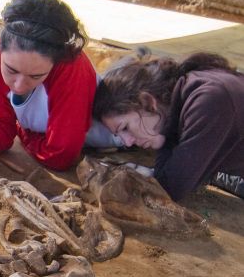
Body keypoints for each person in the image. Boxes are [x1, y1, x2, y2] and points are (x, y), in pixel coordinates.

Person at [0, 0, 120, 174]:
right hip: (47, 133)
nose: (18, 86)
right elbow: (1, 126)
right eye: (11, 70)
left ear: (56, 61)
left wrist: (23, 132)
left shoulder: (71, 67)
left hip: (114, 137)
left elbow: (61, 155)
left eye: (36, 76)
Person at [93, 52, 244, 200]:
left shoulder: (208, 101)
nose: (127, 142)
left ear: (147, 102)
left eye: (125, 128)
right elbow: (163, 173)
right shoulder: (179, 99)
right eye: (118, 135)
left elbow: (170, 188)